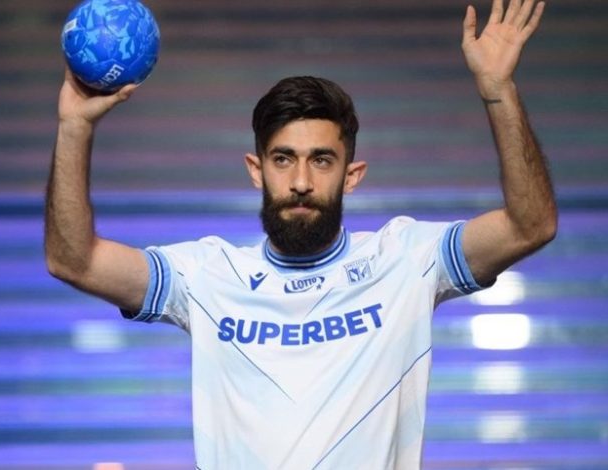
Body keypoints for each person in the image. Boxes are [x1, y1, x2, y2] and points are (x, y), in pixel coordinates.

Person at [45, 0, 557, 468]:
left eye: (322, 160)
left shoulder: (407, 259)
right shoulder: (205, 275)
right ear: (256, 170)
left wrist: (498, 91)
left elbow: (529, 226)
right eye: (283, 159)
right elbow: (74, 261)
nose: (301, 182)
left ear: (352, 175)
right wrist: (75, 128)